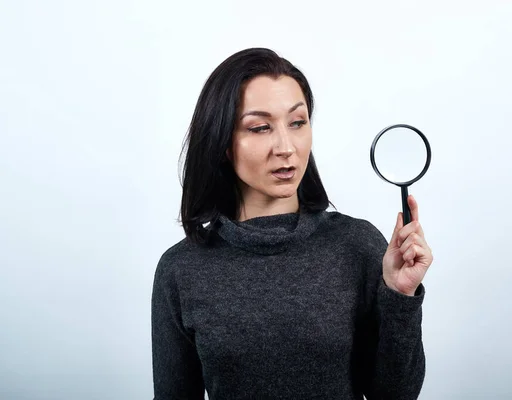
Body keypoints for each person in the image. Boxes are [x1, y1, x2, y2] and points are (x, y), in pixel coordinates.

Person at [151, 47, 434, 400]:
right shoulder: (181, 269)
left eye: (297, 123)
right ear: (222, 142)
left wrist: (400, 295)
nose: (286, 146)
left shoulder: (356, 244)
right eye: (260, 127)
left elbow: (394, 394)